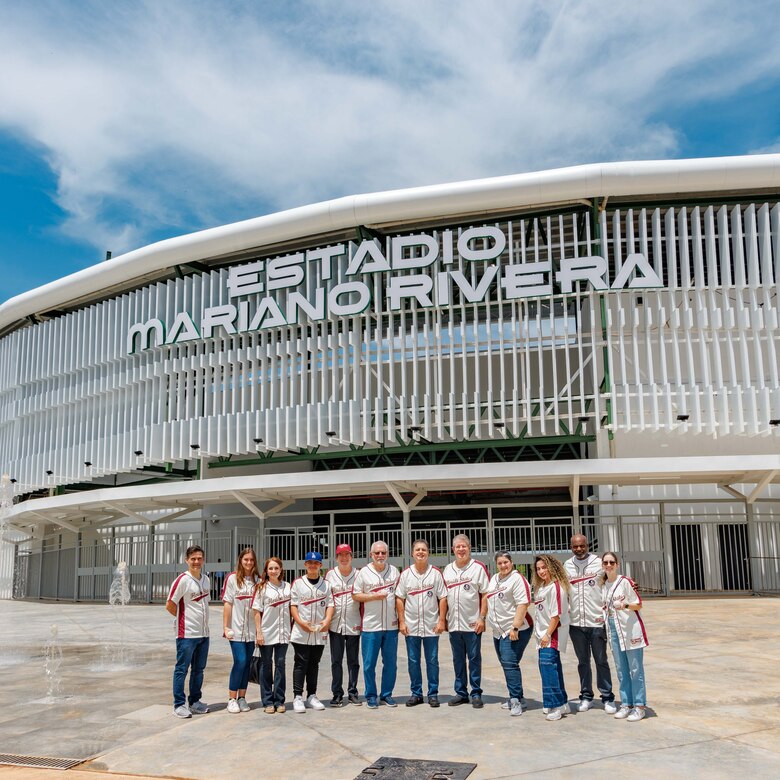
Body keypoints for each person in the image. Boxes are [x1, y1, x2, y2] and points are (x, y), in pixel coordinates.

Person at [564, 534, 617, 714]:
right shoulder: (567, 565)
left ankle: (608, 697)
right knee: (583, 661)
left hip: (597, 621)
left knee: (601, 660)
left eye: (582, 546)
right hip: (576, 623)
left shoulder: (599, 563)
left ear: (587, 545)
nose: (579, 549)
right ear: (571, 546)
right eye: (575, 546)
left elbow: (611, 581)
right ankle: (586, 696)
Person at [396, 539, 447, 708]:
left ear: (428, 553)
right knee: (413, 661)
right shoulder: (405, 574)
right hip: (411, 626)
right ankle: (416, 693)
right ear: (412, 553)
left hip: (431, 625)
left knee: (432, 660)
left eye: (423, 549)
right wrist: (402, 622)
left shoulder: (435, 573)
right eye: (417, 549)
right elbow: (400, 598)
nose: (420, 552)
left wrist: (441, 620)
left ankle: (433, 694)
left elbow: (443, 597)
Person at [600, 552, 649, 722]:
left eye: (611, 562)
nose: (608, 565)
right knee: (621, 670)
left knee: (635, 669)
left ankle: (639, 706)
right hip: (613, 630)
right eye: (605, 562)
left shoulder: (625, 582)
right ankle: (626, 704)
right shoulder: (604, 585)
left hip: (630, 630)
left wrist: (625, 605)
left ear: (617, 564)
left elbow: (638, 604)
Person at [483, 552, 533, 717]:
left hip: (514, 629)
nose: (503, 565)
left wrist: (515, 627)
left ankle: (516, 700)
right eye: (500, 563)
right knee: (507, 664)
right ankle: (519, 696)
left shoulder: (517, 579)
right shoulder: (495, 578)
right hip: (498, 631)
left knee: (510, 663)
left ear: (511, 562)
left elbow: (523, 603)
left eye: (506, 562)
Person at [443, 534, 489, 708]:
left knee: (474, 658)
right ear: (453, 549)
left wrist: (482, 617)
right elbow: (444, 597)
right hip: (454, 624)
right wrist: (444, 618)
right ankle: (461, 692)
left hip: (472, 623)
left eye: (464, 546)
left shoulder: (478, 568)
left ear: (469, 548)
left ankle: (476, 693)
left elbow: (485, 594)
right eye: (458, 547)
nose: (461, 549)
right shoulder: (448, 569)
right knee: (458, 659)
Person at [352, 540, 400, 709]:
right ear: (371, 554)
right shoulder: (363, 573)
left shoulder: (394, 571)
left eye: (383, 553)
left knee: (390, 664)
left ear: (387, 554)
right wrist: (374, 596)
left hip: (391, 626)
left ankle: (386, 695)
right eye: (377, 553)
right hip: (370, 626)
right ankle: (371, 695)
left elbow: (400, 597)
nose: (380, 555)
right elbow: (356, 595)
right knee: (369, 664)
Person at [166, 545, 211, 719]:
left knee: (199, 669)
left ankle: (194, 702)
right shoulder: (182, 580)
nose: (196, 561)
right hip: (186, 635)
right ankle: (178, 704)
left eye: (199, 558)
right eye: (193, 559)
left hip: (203, 634)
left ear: (203, 560)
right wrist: (182, 621)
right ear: (187, 560)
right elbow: (170, 604)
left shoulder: (206, 579)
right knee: (181, 669)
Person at [289, 551, 334, 713]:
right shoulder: (298, 583)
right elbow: (293, 606)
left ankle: (312, 695)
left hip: (319, 630)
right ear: (305, 565)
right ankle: (298, 696)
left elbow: (330, 605)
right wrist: (300, 622)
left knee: (314, 664)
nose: (313, 565)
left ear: (320, 565)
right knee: (301, 663)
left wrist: (327, 621)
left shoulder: (326, 584)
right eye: (310, 563)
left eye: (316, 563)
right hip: (301, 630)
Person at [533, 554, 571, 721]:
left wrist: (548, 635)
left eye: (544, 567)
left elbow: (556, 615)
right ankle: (563, 703)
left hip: (551, 634)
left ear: (552, 567)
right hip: (541, 635)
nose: (541, 571)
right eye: (538, 568)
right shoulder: (541, 588)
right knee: (551, 668)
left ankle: (554, 705)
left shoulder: (557, 587)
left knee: (548, 668)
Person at [252, 556, 292, 714]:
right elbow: (256, 611)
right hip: (267, 633)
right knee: (266, 666)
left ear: (281, 569)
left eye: (276, 568)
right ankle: (267, 701)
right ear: (266, 571)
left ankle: (279, 700)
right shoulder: (261, 588)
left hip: (283, 633)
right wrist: (259, 632)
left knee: (280, 665)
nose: (274, 571)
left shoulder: (288, 587)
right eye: (270, 568)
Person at [222, 548, 260, 713]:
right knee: (240, 661)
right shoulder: (232, 579)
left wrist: (259, 630)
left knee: (247, 664)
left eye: (251, 560)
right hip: (236, 630)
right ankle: (231, 698)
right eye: (246, 559)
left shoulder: (258, 580)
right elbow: (228, 603)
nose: (249, 563)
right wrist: (226, 626)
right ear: (240, 560)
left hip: (251, 631)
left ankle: (242, 698)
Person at [325, 543, 362, 706]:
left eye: (347, 554)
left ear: (351, 556)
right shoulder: (330, 575)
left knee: (353, 661)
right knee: (336, 661)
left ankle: (353, 692)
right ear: (336, 557)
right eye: (341, 555)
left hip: (354, 622)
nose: (344, 558)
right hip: (336, 625)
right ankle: (337, 693)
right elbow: (326, 599)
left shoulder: (359, 574)